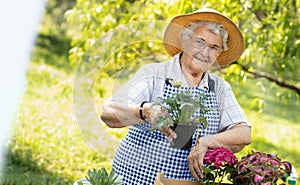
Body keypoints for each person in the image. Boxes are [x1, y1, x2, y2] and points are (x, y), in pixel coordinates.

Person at [101, 8, 251, 184]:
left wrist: (208, 141)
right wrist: (145, 111)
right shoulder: (154, 74)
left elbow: (243, 134)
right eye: (199, 42)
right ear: (184, 41)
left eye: (213, 47)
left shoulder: (219, 88)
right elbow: (108, 112)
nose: (205, 52)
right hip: (134, 179)